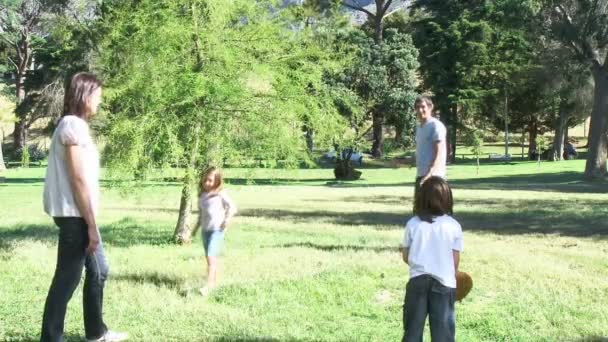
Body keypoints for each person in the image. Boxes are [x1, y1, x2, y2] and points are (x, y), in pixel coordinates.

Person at [41, 73, 128, 342]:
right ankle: (51, 338)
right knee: (67, 279)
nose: (100, 101)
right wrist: (90, 224)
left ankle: (96, 332)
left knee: (99, 269)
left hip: (80, 215)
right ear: (85, 95)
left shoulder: (77, 126)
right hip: (75, 216)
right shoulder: (72, 125)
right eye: (97, 95)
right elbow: (77, 178)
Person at [400, 176, 463, 342]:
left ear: (421, 199)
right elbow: (454, 261)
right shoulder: (453, 226)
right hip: (444, 283)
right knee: (443, 334)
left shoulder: (413, 224)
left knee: (412, 331)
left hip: (417, 282)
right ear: (448, 199)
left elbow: (406, 256)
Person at [197, 166, 237, 295]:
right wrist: (194, 229)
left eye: (210, 180)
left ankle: (208, 286)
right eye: (205, 180)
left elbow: (232, 207)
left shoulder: (220, 194)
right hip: (205, 230)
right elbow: (201, 214)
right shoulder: (202, 196)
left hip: (217, 230)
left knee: (210, 256)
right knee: (210, 258)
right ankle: (213, 282)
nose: (207, 183)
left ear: (217, 181)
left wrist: (227, 219)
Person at [413, 96, 447, 197]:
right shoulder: (420, 128)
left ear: (430, 107)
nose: (420, 110)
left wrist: (429, 174)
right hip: (421, 176)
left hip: (435, 178)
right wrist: (401, 162)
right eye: (417, 107)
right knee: (420, 211)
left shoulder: (436, 126)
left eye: (423, 107)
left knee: (436, 211)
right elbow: (422, 153)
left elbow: (439, 153)